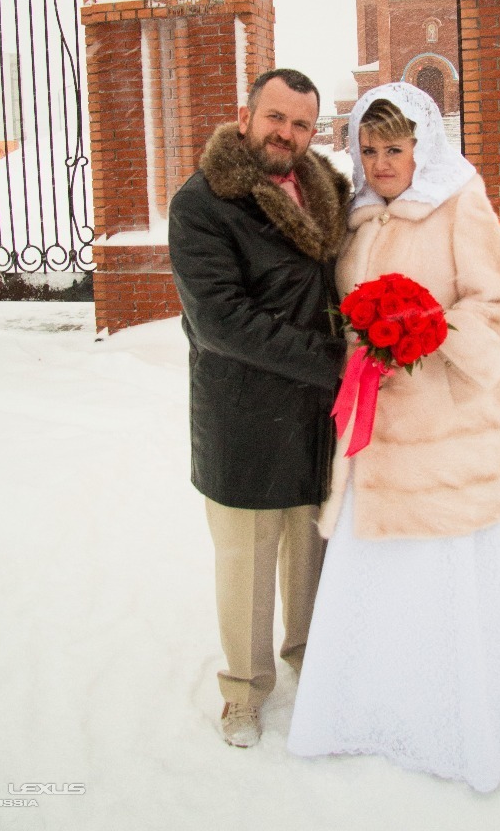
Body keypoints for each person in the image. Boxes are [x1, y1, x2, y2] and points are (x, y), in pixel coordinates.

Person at [288, 81, 500, 791]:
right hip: (376, 436)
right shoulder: (359, 218)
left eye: (394, 149)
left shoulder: (460, 201)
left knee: (449, 575)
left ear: (421, 146)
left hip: (448, 433)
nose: (380, 164)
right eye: (368, 150)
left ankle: (468, 711)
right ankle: (376, 705)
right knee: (381, 578)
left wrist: (427, 331)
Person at [168, 68, 349, 749]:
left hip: (315, 418)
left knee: (309, 549)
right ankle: (244, 691)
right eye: (275, 117)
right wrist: (335, 362)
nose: (287, 133)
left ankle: (310, 659)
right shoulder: (204, 202)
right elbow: (221, 321)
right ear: (245, 117)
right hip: (242, 410)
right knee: (247, 559)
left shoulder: (326, 190)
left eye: (302, 124)